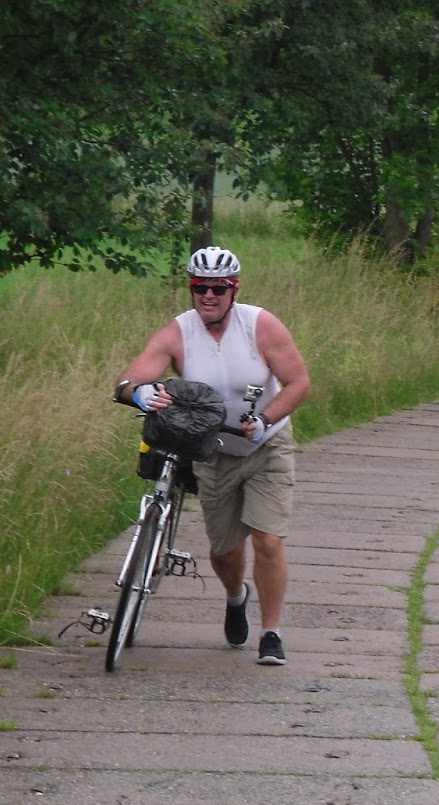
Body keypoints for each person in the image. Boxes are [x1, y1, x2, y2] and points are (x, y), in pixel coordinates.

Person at [114, 246, 310, 664]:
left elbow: (298, 383)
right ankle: (236, 596)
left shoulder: (261, 326)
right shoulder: (178, 332)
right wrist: (140, 393)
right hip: (212, 450)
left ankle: (271, 633)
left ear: (233, 290)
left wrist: (265, 418)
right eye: (200, 287)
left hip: (265, 445)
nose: (208, 296)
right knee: (224, 552)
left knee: (269, 540)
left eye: (218, 288)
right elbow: (129, 379)